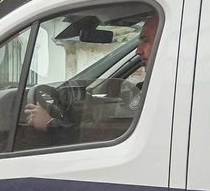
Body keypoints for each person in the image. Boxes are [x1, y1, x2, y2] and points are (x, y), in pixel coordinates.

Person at [24, 17, 156, 133]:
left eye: (145, 40)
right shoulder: (147, 87)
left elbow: (109, 134)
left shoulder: (160, 93)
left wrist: (50, 124)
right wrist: (93, 103)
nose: (138, 51)